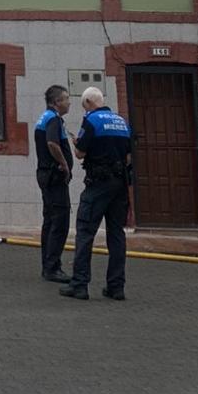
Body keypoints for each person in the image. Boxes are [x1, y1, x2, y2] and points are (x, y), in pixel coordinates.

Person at [61, 86, 133, 302]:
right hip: (120, 184)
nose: (85, 110)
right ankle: (116, 287)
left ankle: (80, 284)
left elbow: (80, 153)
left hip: (98, 184)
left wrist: (76, 144)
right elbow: (129, 157)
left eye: (84, 106)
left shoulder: (91, 120)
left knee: (85, 231)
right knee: (116, 234)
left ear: (89, 103)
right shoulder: (122, 122)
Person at [35, 85, 74, 282]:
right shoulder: (53, 119)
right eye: (66, 99)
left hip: (46, 175)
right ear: (57, 102)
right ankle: (52, 267)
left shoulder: (44, 118)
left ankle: (48, 265)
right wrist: (64, 164)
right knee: (59, 222)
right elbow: (52, 143)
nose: (69, 102)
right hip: (54, 177)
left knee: (50, 221)